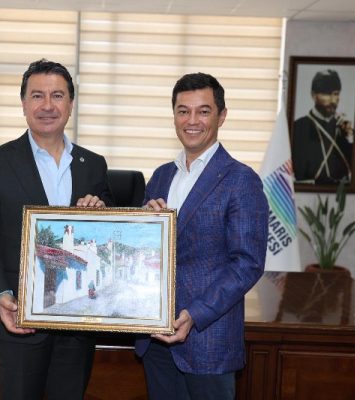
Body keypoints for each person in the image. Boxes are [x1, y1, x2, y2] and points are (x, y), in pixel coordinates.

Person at [0, 59, 113, 400]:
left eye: (57, 95)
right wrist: (2, 296)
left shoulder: (93, 165)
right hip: (19, 320)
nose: (48, 105)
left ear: (70, 104)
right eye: (37, 96)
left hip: (77, 327)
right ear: (23, 104)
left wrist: (100, 211)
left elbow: (105, 232)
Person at [135, 72, 268, 400]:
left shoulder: (241, 180)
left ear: (222, 116)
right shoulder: (161, 176)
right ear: (174, 116)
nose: (192, 120)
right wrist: (143, 224)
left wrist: (195, 314)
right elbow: (142, 252)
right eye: (183, 111)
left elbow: (247, 264)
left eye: (203, 111)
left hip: (208, 342)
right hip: (155, 341)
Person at [292, 69, 354, 184]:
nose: (333, 100)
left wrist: (350, 139)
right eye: (327, 94)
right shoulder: (297, 128)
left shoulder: (345, 130)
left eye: (336, 93)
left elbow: (354, 172)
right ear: (313, 95)